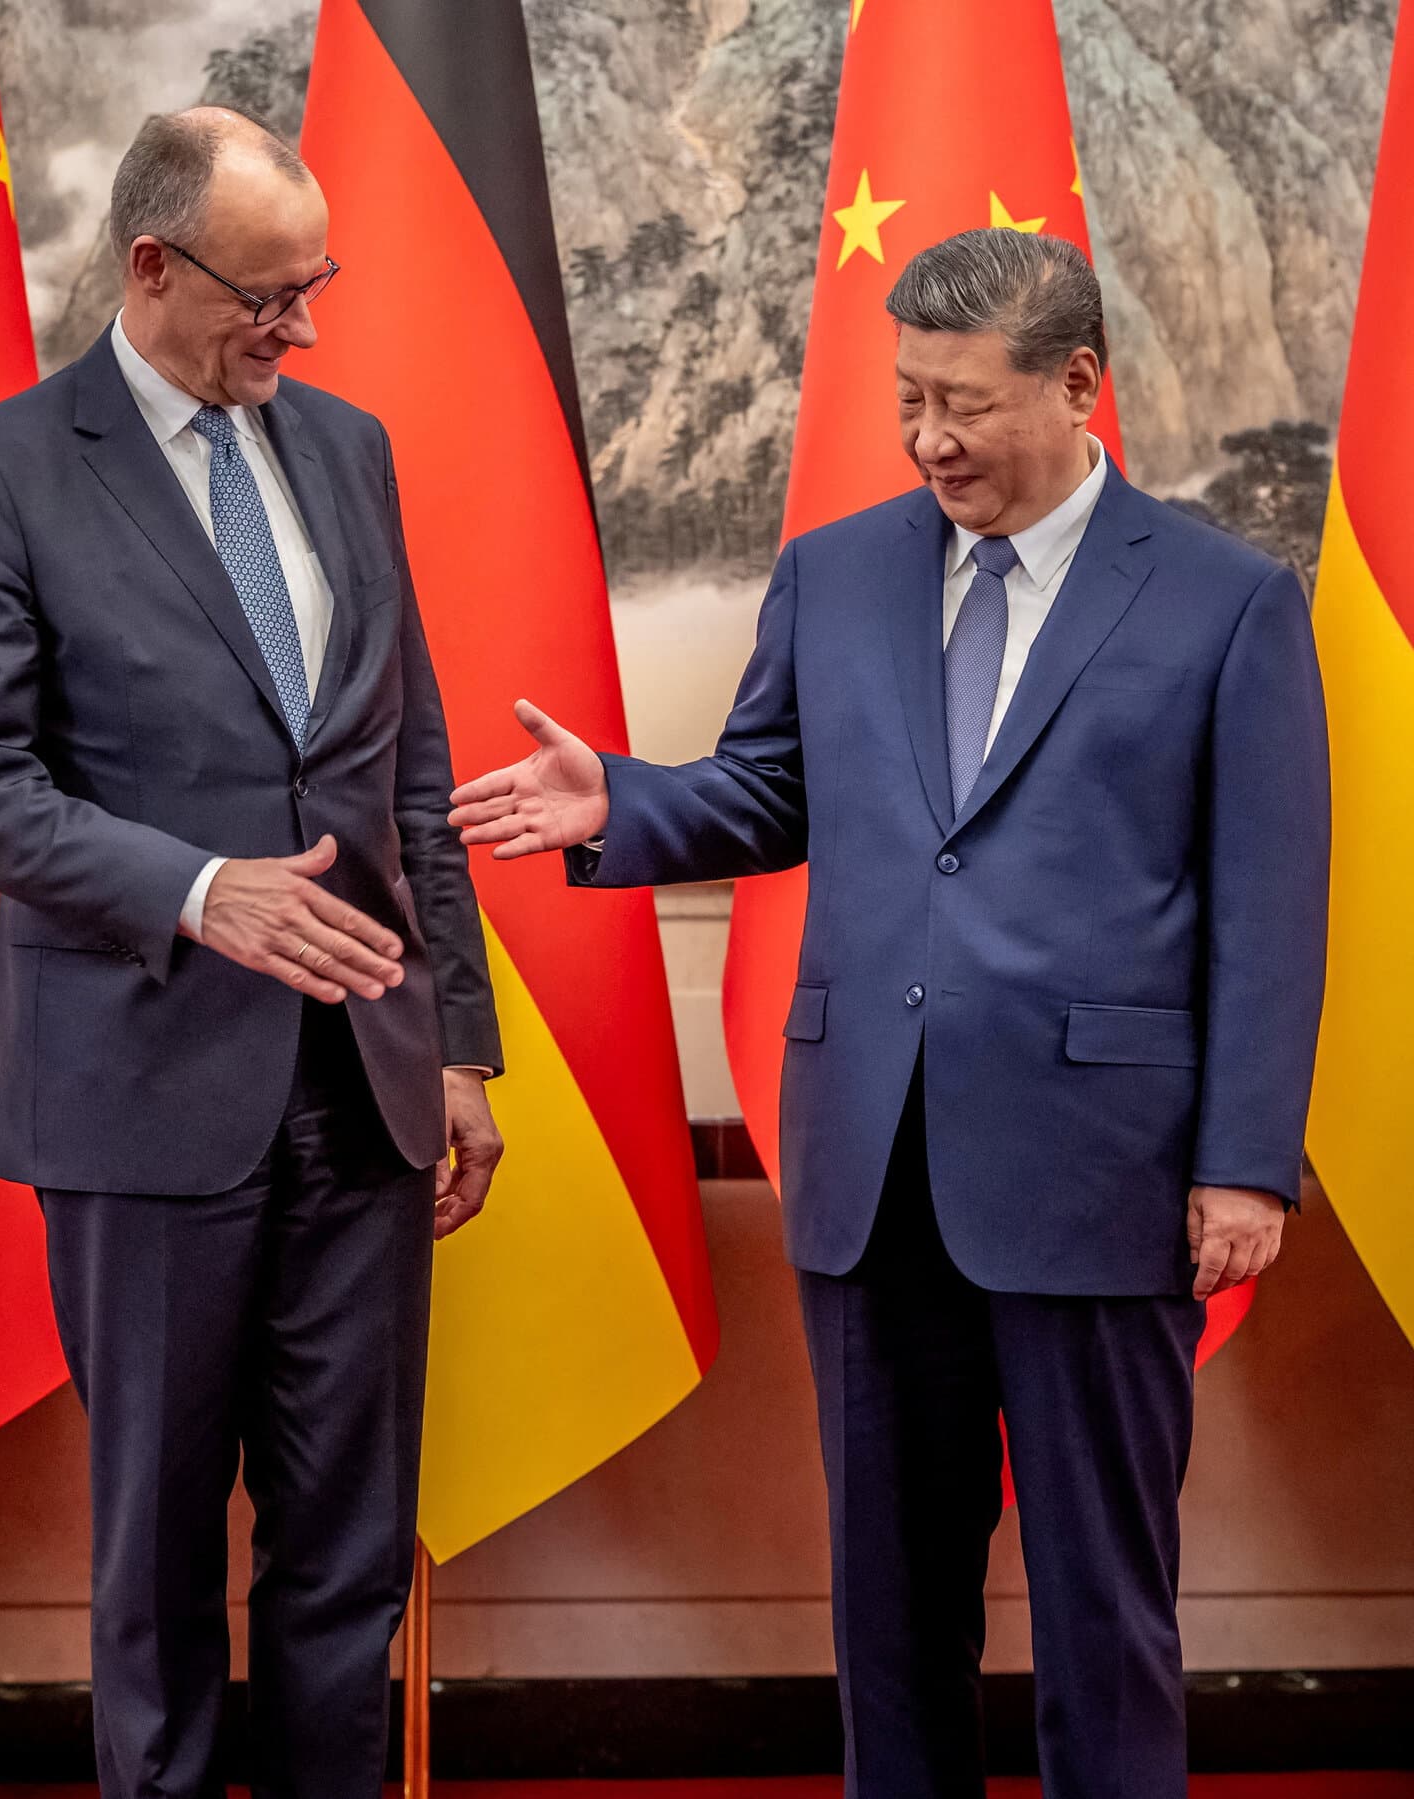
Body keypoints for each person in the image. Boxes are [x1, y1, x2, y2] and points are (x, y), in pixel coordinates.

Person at [450, 228, 1328, 1798]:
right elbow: (770, 788)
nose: (929, 440)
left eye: (964, 405)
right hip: (872, 1168)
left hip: (1102, 1173)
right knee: (891, 1612)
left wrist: (1247, 1161)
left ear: (1078, 385)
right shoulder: (837, 571)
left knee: (1103, 1610)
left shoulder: (1227, 605)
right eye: (908, 399)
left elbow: (1271, 908)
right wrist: (618, 805)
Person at [0, 106, 503, 1799]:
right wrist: (198, 888)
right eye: (267, 295)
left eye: (315, 287)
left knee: (351, 1556)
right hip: (145, 1090)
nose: (300, 328)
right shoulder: (4, 468)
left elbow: (406, 766)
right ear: (151, 267)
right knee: (159, 1562)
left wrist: (456, 1042)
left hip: (366, 1094)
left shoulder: (348, 449)